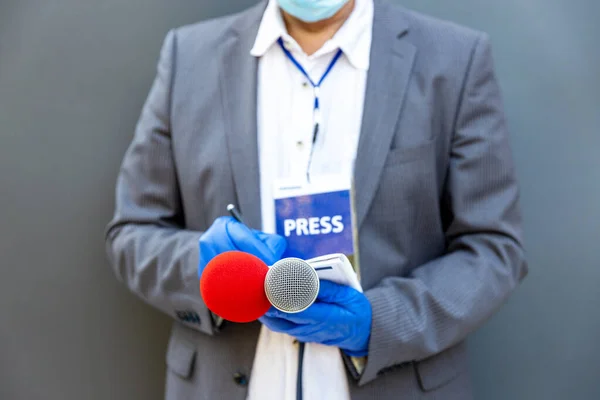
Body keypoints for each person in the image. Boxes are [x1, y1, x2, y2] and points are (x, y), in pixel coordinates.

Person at [104, 0, 528, 398]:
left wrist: (379, 323)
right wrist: (209, 268)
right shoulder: (189, 56)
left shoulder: (455, 59)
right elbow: (132, 231)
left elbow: (493, 248)